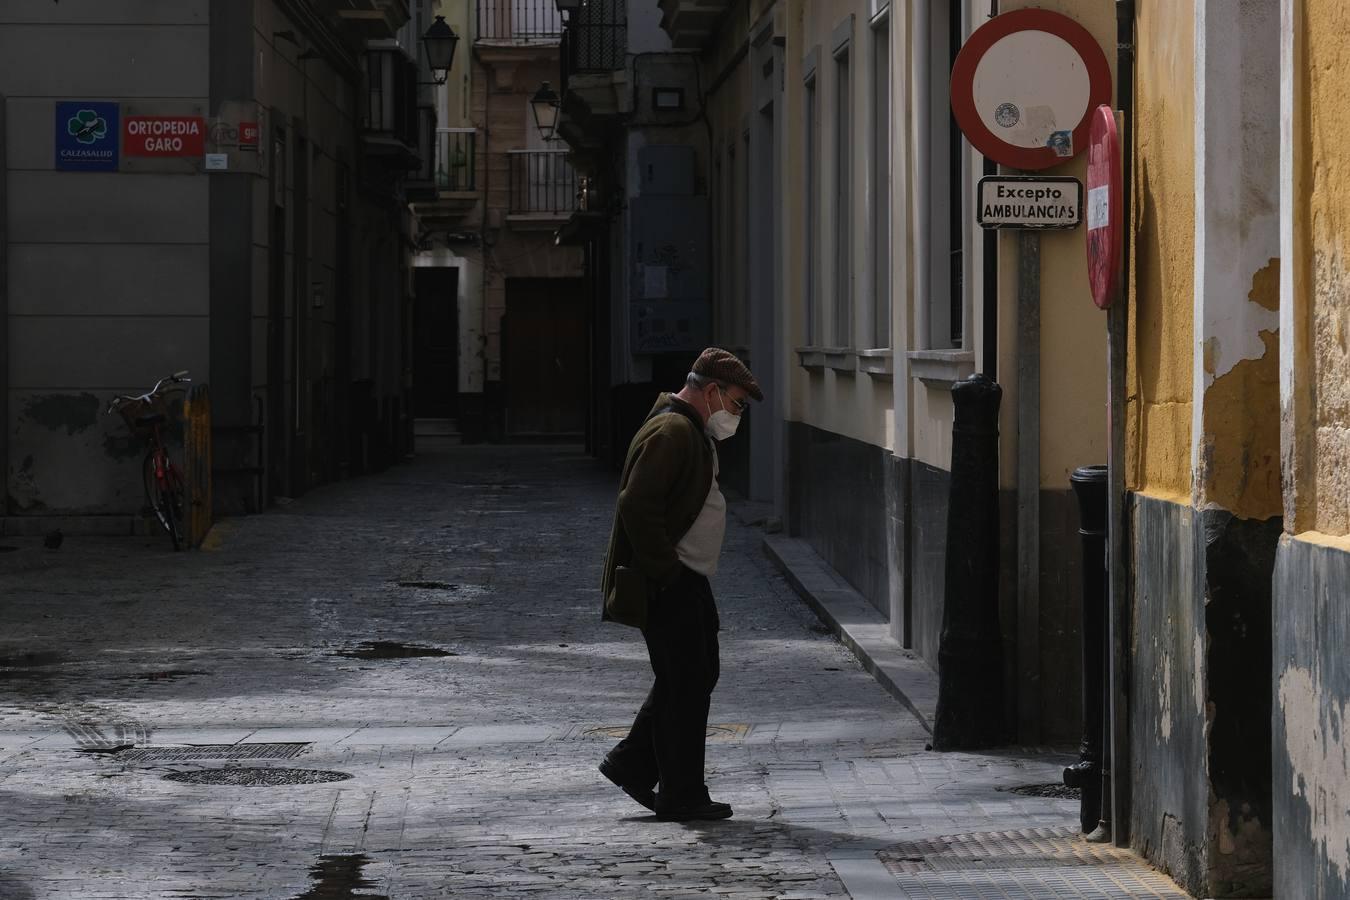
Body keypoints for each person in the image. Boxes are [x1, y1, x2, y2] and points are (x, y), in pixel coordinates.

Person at [598, 347, 762, 822]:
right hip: (669, 579)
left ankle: (634, 764)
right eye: (736, 403)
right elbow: (636, 504)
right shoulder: (673, 430)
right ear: (712, 392)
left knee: (691, 677)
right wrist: (666, 572)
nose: (736, 415)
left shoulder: (688, 428)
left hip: (684, 576)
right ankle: (680, 792)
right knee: (686, 682)